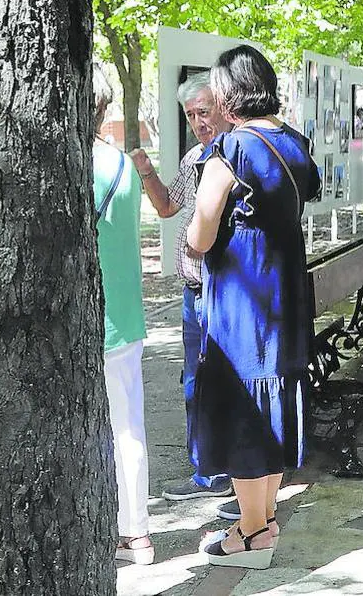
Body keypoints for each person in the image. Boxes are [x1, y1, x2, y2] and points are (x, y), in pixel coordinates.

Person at [188, 45, 320, 569]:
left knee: (243, 403)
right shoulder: (293, 142)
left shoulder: (232, 149)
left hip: (243, 294)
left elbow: (200, 234)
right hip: (285, 288)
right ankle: (262, 523)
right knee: (271, 399)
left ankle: (248, 531)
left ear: (228, 94)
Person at [129, 75, 235, 502]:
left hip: (223, 290)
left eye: (203, 112)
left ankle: (230, 470)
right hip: (193, 293)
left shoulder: (234, 153)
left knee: (222, 382)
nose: (197, 122)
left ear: (223, 107)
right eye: (191, 115)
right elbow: (167, 206)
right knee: (194, 382)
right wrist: (146, 171)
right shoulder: (194, 157)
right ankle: (205, 471)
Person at [92, 75, 153, 565]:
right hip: (126, 311)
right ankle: (137, 532)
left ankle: (117, 527)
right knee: (128, 424)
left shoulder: (78, 165)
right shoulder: (122, 165)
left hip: (95, 314)